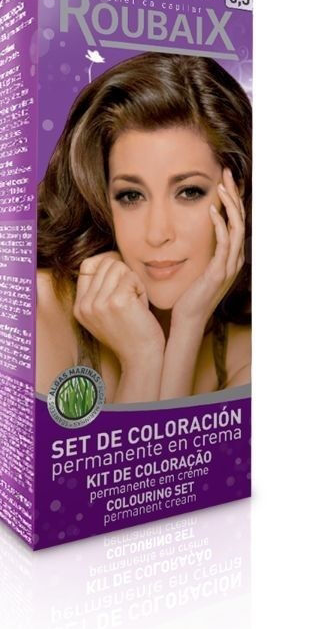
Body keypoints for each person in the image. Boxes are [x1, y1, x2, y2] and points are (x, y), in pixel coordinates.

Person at [36, 52, 251, 403]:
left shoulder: (246, 352)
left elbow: (169, 442)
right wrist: (142, 359)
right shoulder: (38, 312)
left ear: (234, 190)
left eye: (189, 192)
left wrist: (187, 327)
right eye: (131, 196)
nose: (157, 233)